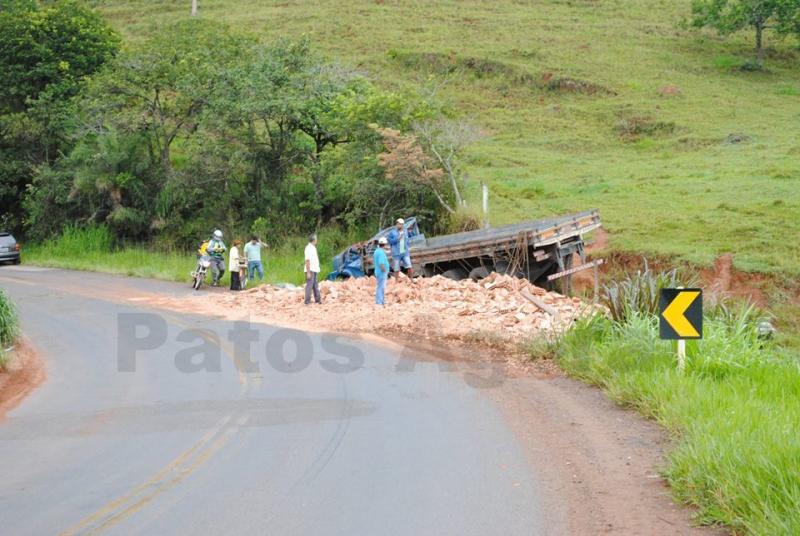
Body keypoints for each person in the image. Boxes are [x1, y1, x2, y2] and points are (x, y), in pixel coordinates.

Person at [387, 217, 414, 282]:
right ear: (396, 224)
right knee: (396, 268)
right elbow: (389, 241)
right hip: (396, 253)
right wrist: (397, 239)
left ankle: (411, 280)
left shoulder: (405, 231)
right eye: (399, 224)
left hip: (405, 252)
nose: (400, 225)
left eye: (401, 224)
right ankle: (396, 281)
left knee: (409, 266)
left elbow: (409, 238)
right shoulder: (392, 233)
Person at [304, 233, 321, 305]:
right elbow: (307, 260)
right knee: (309, 285)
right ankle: (307, 301)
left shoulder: (313, 247)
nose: (317, 240)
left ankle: (318, 300)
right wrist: (308, 272)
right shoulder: (308, 248)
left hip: (314, 269)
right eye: (316, 238)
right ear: (313, 240)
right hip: (310, 269)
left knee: (315, 285)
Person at [373, 237, 390, 305]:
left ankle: (381, 301)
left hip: (379, 272)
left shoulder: (377, 251)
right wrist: (385, 271)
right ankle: (379, 302)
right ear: (384, 244)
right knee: (381, 287)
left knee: (381, 287)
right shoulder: (381, 253)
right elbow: (381, 264)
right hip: (381, 272)